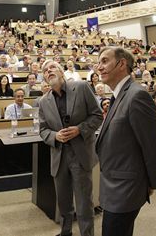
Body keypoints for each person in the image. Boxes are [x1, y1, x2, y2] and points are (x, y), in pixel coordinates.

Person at [96, 47, 156, 236]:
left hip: (126, 189)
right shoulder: (118, 95)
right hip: (115, 185)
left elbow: (153, 146)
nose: (98, 67)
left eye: (104, 61)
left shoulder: (136, 96)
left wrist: (150, 182)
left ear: (122, 64)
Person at [38, 59, 102, 236]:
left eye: (52, 67)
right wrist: (55, 136)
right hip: (59, 156)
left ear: (61, 71)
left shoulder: (81, 87)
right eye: (45, 70)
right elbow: (43, 130)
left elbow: (97, 116)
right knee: (64, 203)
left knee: (84, 204)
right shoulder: (44, 101)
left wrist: (79, 130)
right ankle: (66, 232)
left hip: (80, 155)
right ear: (44, 78)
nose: (49, 71)